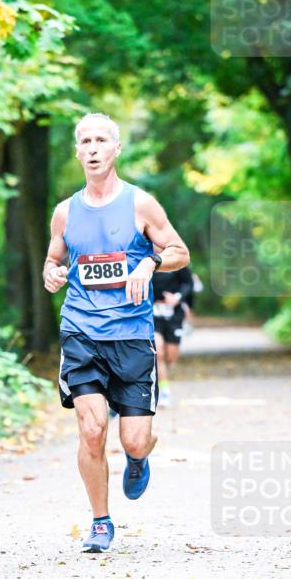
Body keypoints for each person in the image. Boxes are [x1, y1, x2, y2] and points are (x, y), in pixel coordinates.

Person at [43, 113, 189, 553]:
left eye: (101, 140)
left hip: (132, 334)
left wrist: (150, 262)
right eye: (85, 141)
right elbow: (53, 259)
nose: (93, 148)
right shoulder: (65, 212)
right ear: (77, 151)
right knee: (91, 430)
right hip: (81, 330)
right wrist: (51, 273)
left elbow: (179, 251)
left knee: (135, 439)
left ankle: (138, 458)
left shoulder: (140, 204)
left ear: (116, 149)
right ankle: (100, 522)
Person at [152, 264, 194, 408]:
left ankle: (162, 376)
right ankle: (164, 391)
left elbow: (189, 283)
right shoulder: (145, 259)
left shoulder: (176, 260)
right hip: (153, 313)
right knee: (158, 353)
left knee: (171, 357)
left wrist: (177, 297)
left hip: (174, 314)